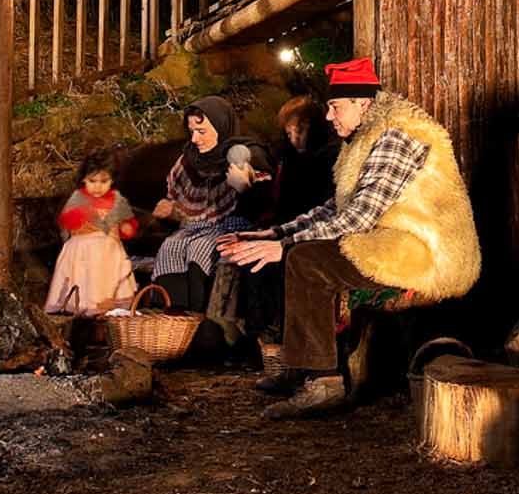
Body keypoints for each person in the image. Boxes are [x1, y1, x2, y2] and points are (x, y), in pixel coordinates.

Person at [220, 59, 481, 418]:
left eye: (335, 106)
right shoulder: (363, 138)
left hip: (424, 251)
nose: (328, 116)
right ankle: (303, 365)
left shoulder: (399, 136)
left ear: (364, 104)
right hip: (388, 240)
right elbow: (337, 207)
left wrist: (284, 247)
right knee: (291, 254)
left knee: (306, 261)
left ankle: (323, 383)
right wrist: (277, 232)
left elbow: (360, 217)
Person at [236, 95, 339, 349]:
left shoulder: (328, 157)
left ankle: (283, 337)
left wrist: (280, 236)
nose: (294, 138)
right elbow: (280, 205)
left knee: (279, 260)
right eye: (289, 132)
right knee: (249, 248)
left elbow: (319, 208)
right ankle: (258, 335)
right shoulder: (289, 159)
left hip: (315, 231)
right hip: (289, 225)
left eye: (300, 130)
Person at [148, 96, 246, 312]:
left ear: (221, 127)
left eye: (201, 132)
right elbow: (179, 203)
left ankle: (197, 318)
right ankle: (172, 317)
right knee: (170, 246)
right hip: (192, 227)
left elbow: (251, 200)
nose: (194, 139)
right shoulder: (188, 159)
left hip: (226, 225)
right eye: (191, 131)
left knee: (199, 249)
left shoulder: (237, 156)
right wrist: (170, 208)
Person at [46, 153, 139, 316]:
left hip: (110, 253)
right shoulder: (79, 198)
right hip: (83, 251)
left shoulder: (117, 199)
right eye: (92, 181)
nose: (98, 187)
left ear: (113, 181)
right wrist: (82, 217)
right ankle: (84, 313)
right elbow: (67, 220)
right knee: (86, 284)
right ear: (84, 180)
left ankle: (106, 317)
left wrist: (127, 228)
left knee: (107, 286)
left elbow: (128, 222)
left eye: (104, 182)